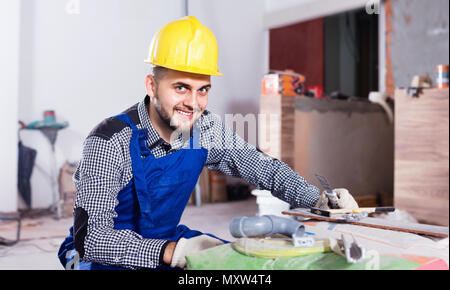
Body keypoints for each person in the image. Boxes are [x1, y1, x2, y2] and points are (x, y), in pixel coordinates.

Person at [58, 16, 358, 270]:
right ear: (152, 86)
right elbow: (92, 239)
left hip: (167, 238)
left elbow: (264, 169)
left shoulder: (205, 129)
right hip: (101, 259)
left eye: (203, 90)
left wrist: (317, 200)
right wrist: (171, 252)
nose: (193, 103)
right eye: (180, 88)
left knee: (243, 268)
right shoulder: (109, 142)